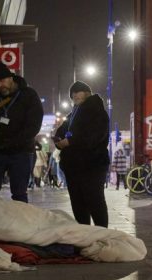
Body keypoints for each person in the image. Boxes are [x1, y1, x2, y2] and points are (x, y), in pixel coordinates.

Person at [0, 61, 43, 203]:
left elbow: (34, 125)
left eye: (2, 81)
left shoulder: (29, 95)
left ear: (11, 77)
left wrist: (16, 140)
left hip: (21, 151)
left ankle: (19, 224)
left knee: (19, 194)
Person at [54, 80, 109, 227]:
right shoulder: (74, 113)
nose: (75, 97)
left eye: (78, 94)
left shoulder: (96, 111)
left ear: (87, 93)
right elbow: (61, 131)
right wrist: (58, 140)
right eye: (73, 96)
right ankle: (84, 234)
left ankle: (102, 234)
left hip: (92, 165)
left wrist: (69, 142)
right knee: (78, 202)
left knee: (94, 200)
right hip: (74, 166)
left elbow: (94, 136)